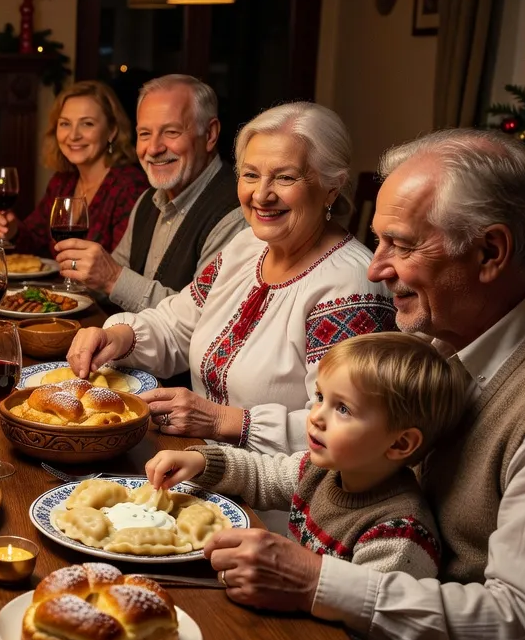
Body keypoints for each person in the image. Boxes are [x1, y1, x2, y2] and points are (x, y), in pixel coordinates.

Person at [205, 129, 525, 640]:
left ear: (490, 252)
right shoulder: (445, 326)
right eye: (378, 242)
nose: (375, 268)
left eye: (402, 245)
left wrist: (317, 582)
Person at [67, 102, 396, 458]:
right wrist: (118, 336)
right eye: (251, 175)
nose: (261, 195)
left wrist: (221, 420)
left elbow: (345, 427)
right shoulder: (246, 246)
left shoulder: (352, 284)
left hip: (273, 504)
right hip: (192, 461)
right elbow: (178, 323)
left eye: (285, 177)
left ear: (332, 187)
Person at [147, 333, 468, 640]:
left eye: (342, 408)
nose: (316, 417)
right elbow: (263, 474)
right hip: (289, 627)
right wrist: (199, 460)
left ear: (400, 443)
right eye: (320, 397)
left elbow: (376, 638)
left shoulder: (400, 533)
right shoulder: (323, 471)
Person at [53, 75, 246, 313]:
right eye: (145, 134)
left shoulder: (236, 212)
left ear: (210, 135)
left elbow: (204, 318)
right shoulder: (148, 200)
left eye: (171, 132)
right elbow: (112, 279)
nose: (153, 149)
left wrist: (113, 278)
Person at [0, 80, 150, 257]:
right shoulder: (62, 182)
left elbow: (124, 268)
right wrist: (10, 230)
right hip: (57, 285)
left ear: (112, 131)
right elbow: (33, 242)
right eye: (65, 124)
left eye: (87, 124)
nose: (73, 135)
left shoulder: (130, 186)